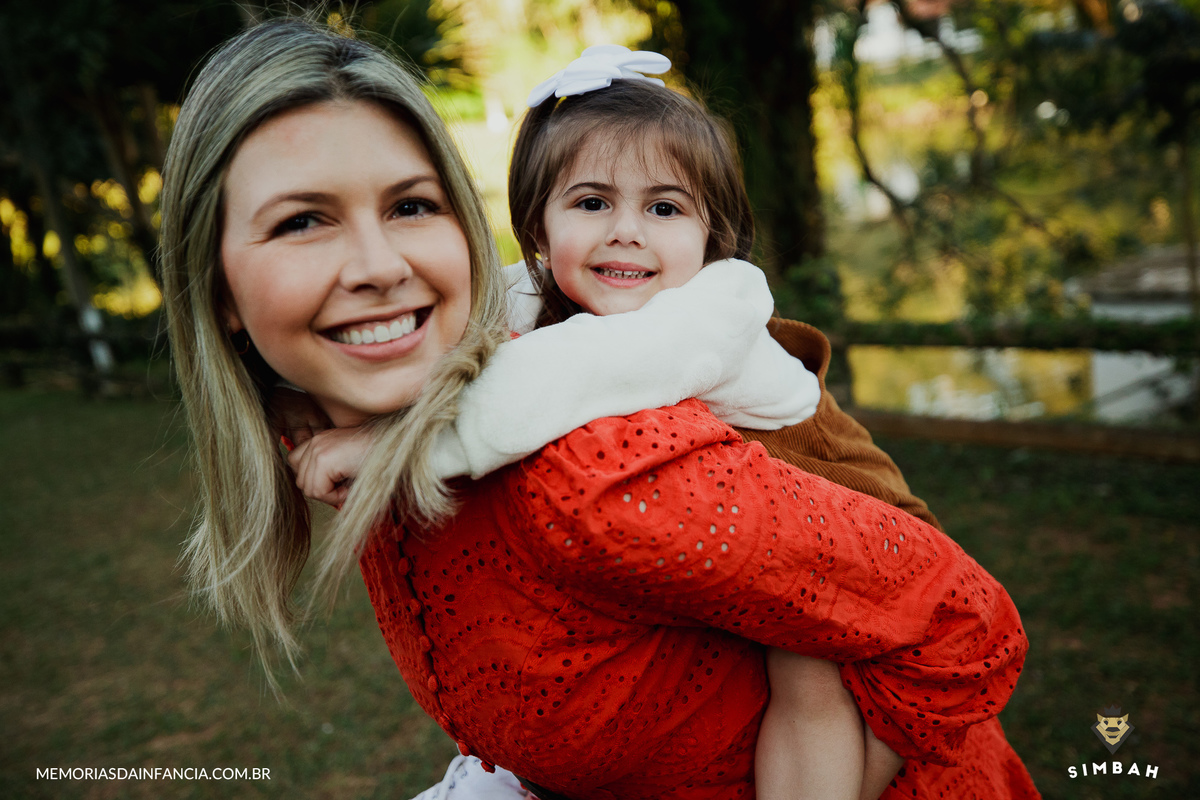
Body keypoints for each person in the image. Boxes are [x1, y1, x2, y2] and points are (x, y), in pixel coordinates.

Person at [161, 18, 1039, 800]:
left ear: (713, 237)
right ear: (534, 232)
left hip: (841, 498)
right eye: (301, 222)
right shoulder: (519, 311)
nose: (379, 268)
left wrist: (412, 443)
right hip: (772, 537)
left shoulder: (695, 326)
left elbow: (550, 387)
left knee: (812, 682)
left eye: (411, 206)